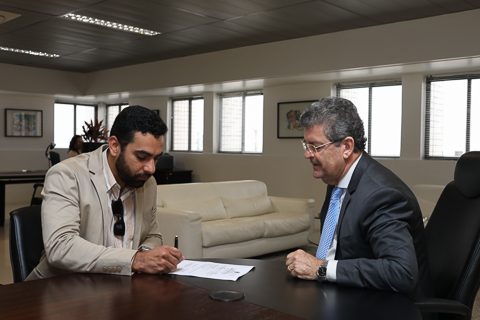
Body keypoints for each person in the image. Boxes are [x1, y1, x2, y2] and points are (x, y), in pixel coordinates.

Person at [286, 97, 432, 300]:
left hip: (385, 305)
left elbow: (401, 272)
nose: (307, 154)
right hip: (345, 289)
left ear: (346, 147)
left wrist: (320, 268)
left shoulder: (382, 195)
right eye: (306, 145)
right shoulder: (336, 178)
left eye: (316, 147)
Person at [27, 106, 183, 280]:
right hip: (57, 289)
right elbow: (61, 247)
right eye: (141, 157)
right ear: (115, 146)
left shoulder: (147, 183)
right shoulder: (67, 174)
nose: (151, 168)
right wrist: (136, 260)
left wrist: (146, 255)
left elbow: (153, 235)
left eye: (156, 158)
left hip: (118, 289)